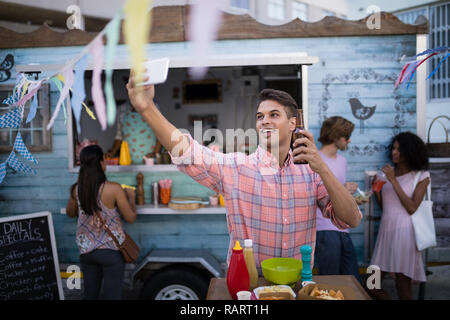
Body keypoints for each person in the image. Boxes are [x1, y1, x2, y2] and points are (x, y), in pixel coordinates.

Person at [126, 76, 362, 271]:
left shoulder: (311, 172)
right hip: (248, 289)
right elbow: (186, 151)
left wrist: (323, 168)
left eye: (274, 115)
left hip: (297, 286)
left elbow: (350, 219)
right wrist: (147, 108)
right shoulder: (237, 168)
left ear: (292, 124)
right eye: (260, 116)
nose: (264, 121)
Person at [66, 145, 137, 300]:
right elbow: (131, 217)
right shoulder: (114, 189)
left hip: (87, 252)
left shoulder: (76, 189)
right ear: (101, 162)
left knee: (90, 295)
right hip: (111, 251)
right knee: (112, 296)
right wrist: (131, 197)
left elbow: (70, 213)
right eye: (104, 159)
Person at [369, 131, 430, 300]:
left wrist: (393, 180)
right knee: (371, 283)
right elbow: (386, 207)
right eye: (393, 149)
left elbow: (411, 208)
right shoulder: (386, 174)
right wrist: (377, 190)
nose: (394, 153)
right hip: (385, 233)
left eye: (399, 150)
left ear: (410, 152)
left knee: (403, 285)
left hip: (405, 235)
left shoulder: (421, 176)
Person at [314, 116, 365, 284]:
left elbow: (338, 194)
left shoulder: (342, 161)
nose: (349, 140)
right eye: (346, 136)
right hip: (325, 230)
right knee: (329, 282)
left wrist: (353, 199)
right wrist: (342, 190)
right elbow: (315, 195)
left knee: (351, 281)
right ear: (335, 136)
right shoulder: (315, 160)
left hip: (344, 229)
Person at [106, 100, 162, 164]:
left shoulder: (154, 107)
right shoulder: (122, 109)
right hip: (128, 161)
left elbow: (160, 134)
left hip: (150, 160)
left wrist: (155, 152)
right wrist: (112, 152)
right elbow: (119, 136)